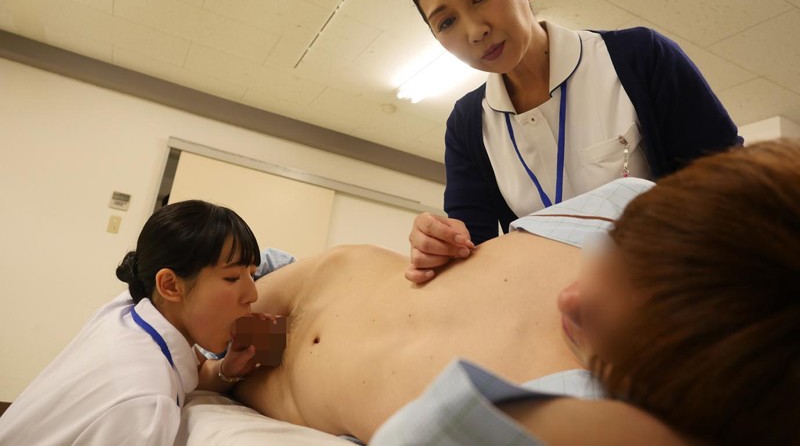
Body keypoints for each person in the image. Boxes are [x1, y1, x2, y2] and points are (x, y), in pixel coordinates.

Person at [233, 140, 799, 445]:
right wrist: (439, 239)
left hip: (260, 382)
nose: (567, 299)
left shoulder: (606, 418)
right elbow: (475, 257)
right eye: (617, 252)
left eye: (606, 322)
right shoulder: (629, 202)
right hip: (307, 279)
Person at [403, 0, 743, 282]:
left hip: (666, 294)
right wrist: (440, 245)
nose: (474, 31)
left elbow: (731, 186)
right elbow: (471, 254)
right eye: (446, 22)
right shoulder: (468, 124)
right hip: (553, 309)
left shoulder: (639, 58)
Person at [0, 200, 266, 445]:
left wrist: (226, 370)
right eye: (232, 278)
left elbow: (188, 367)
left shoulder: (130, 310)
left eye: (253, 275)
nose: (252, 295)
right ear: (170, 285)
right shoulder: (145, 407)